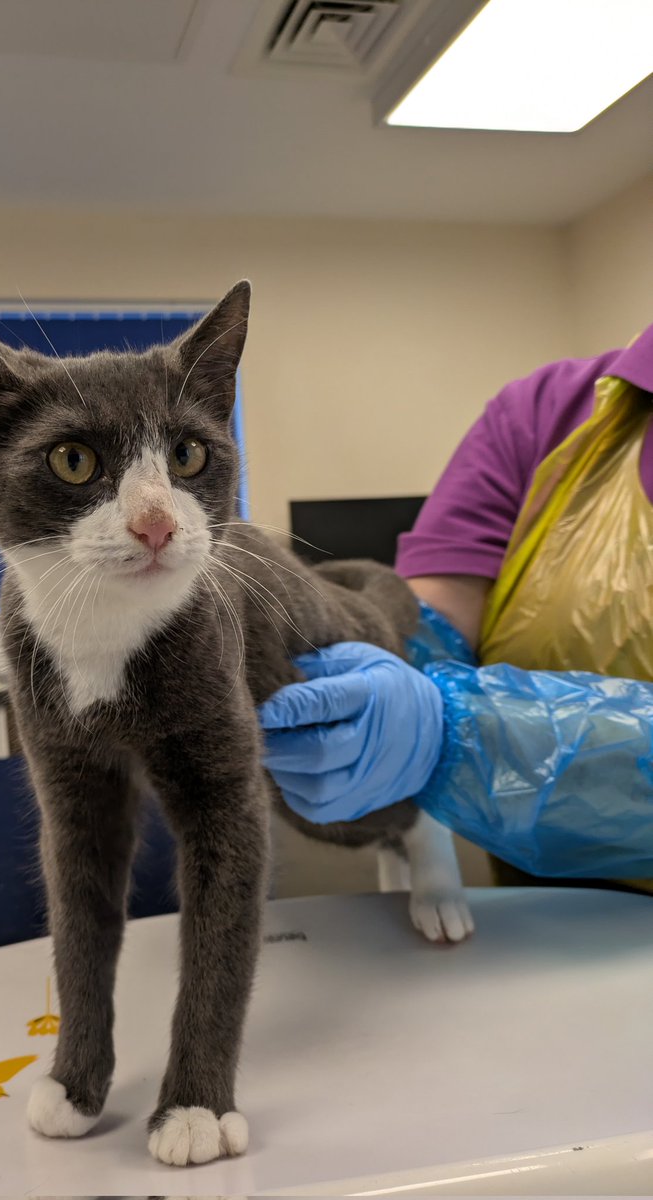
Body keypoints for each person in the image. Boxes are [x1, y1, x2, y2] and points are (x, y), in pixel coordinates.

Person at [259, 324, 653, 888]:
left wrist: (449, 732)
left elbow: (437, 724)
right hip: (544, 930)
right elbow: (430, 620)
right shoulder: (551, 412)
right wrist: (354, 665)